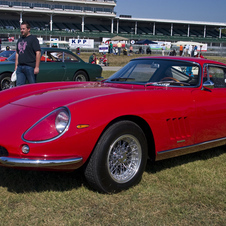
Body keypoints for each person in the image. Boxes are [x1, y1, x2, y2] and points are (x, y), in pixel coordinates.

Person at [15, 21, 41, 86]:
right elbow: (17, 53)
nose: (22, 30)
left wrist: (37, 67)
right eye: (21, 29)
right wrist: (16, 66)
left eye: (23, 29)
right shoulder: (20, 39)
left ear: (28, 29)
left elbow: (38, 53)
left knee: (32, 86)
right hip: (20, 67)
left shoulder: (33, 39)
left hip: (30, 67)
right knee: (19, 86)